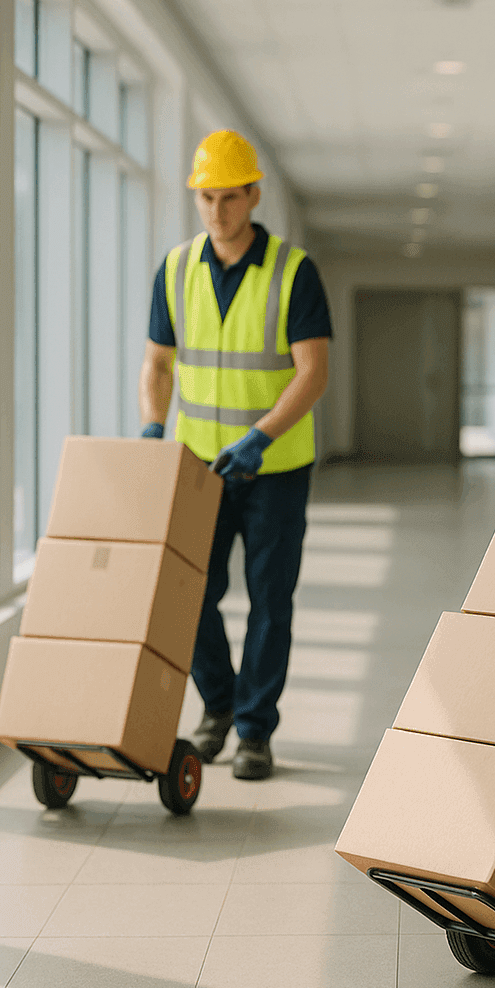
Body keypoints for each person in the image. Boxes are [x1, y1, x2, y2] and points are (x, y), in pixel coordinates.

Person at [138, 130, 331, 781]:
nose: (216, 211)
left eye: (228, 197)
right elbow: (157, 364)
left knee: (270, 600)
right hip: (200, 466)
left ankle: (254, 731)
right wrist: (150, 426)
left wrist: (263, 436)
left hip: (274, 467)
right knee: (190, 592)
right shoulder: (174, 269)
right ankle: (217, 706)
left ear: (253, 194)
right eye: (205, 197)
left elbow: (313, 371)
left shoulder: (293, 272)